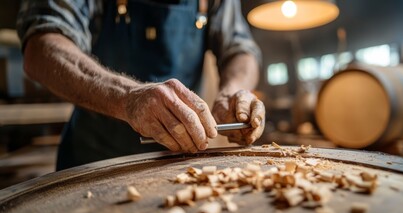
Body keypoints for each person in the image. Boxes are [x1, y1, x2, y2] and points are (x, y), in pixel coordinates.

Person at [17, 0, 265, 170]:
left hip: (180, 163)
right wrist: (129, 97)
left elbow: (240, 48)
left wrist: (232, 91)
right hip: (95, 159)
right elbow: (41, 44)